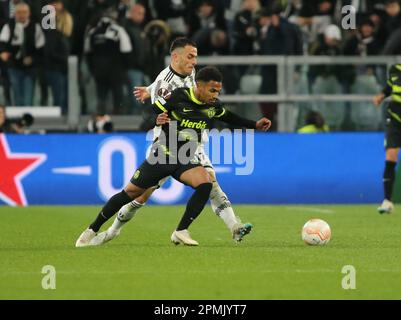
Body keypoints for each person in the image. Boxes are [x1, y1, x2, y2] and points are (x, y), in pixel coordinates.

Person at [76, 66, 271, 247]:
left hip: (185, 158)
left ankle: (181, 230)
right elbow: (148, 113)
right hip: (162, 156)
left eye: (218, 91)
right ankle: (92, 229)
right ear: (199, 86)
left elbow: (229, 117)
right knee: (130, 194)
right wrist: (156, 119)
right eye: (212, 90)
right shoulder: (178, 97)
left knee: (205, 183)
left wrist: (254, 125)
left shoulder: (212, 106)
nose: (216, 95)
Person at [373, 63, 401, 214]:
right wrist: (381, 96)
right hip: (395, 120)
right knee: (391, 157)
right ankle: (387, 201)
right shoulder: (396, 70)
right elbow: (389, 87)